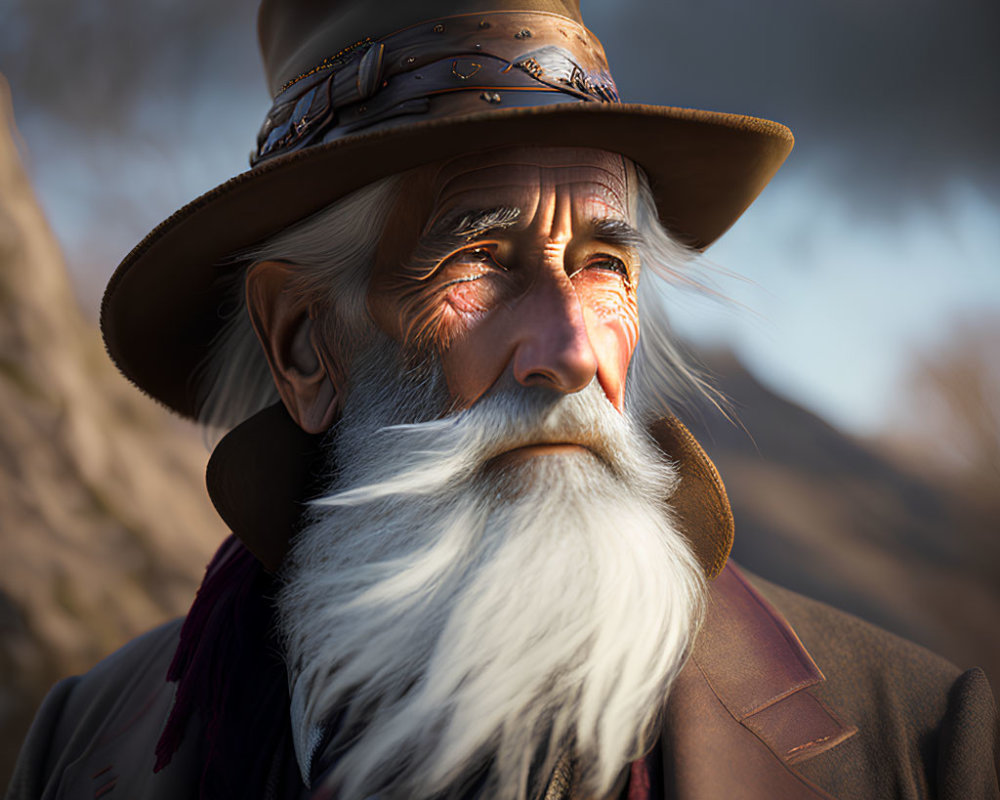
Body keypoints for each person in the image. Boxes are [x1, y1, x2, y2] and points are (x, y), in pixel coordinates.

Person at [7, 1, 998, 798]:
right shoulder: (87, 740)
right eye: (478, 257)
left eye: (603, 263)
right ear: (305, 343)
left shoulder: (929, 741)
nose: (569, 350)